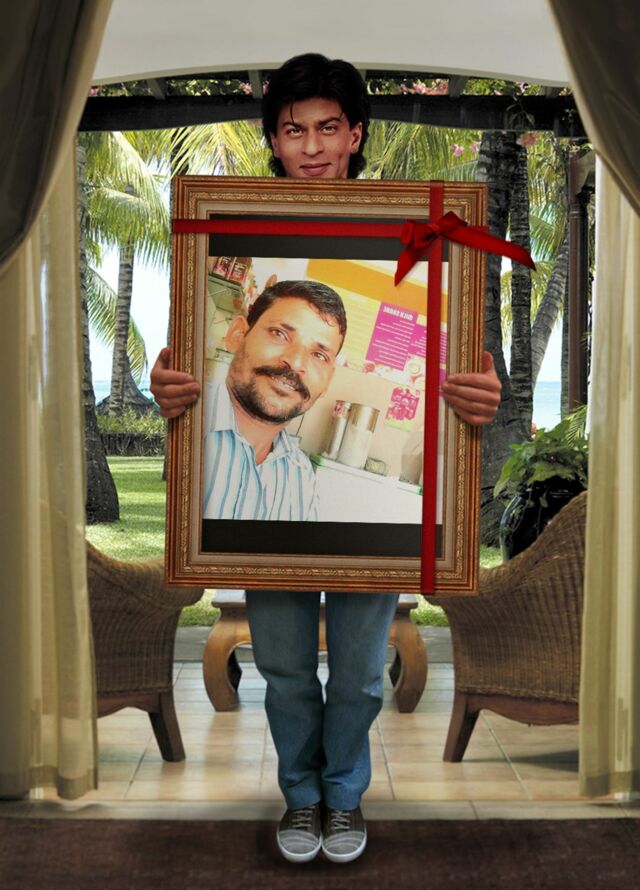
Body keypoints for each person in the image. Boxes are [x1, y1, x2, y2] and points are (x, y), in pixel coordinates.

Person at [151, 53, 501, 865]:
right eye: (293, 130)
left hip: (355, 530)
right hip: (261, 524)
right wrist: (167, 388)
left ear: (357, 135)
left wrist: (480, 392)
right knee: (280, 667)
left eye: (328, 128)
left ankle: (344, 798)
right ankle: (300, 797)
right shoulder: (231, 228)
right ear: (273, 139)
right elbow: (186, 362)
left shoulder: (415, 235)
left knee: (358, 676)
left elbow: (458, 356)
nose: (311, 147)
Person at [202, 279, 345, 520]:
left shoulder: (302, 479)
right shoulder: (182, 422)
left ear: (328, 380)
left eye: (319, 355)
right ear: (238, 335)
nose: (296, 363)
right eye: (280, 334)